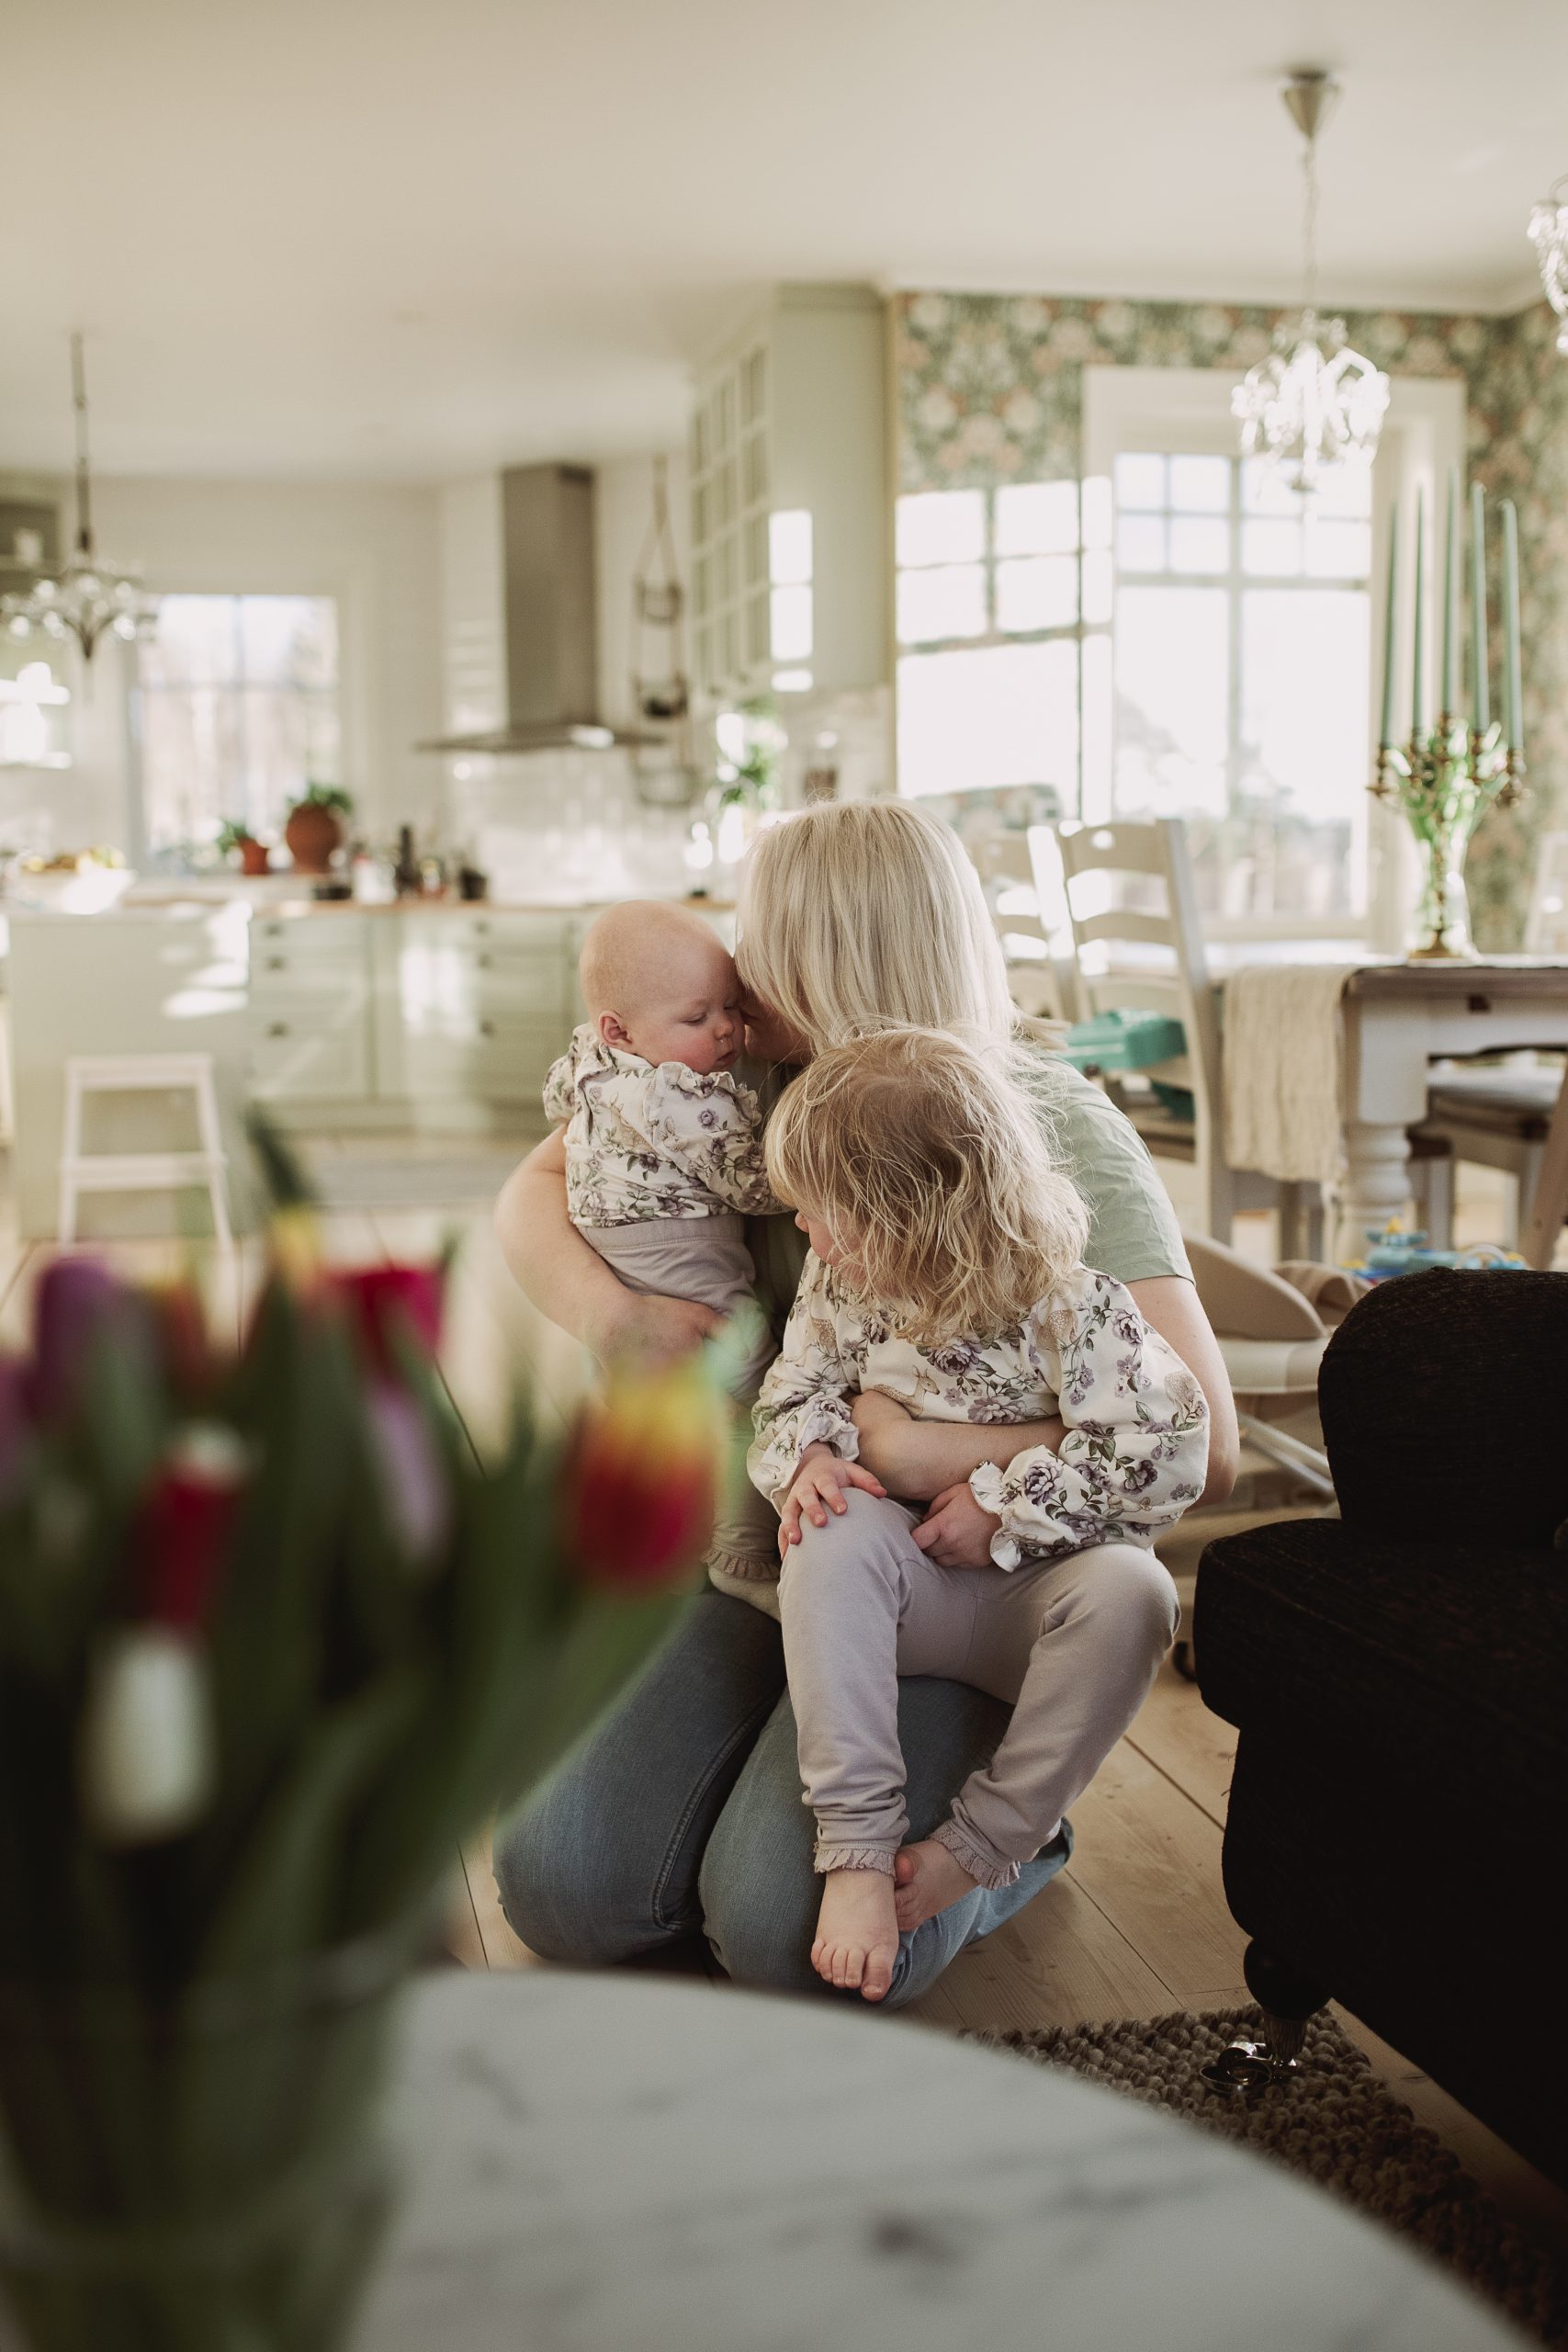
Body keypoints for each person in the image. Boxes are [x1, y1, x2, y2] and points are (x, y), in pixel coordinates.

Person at [492, 799, 1238, 2010]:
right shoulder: (737, 1078)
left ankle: (1009, 1834)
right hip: (760, 1564)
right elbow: (534, 1187)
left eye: (763, 942)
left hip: (955, 1583)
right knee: (565, 1890)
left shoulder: (1039, 1125)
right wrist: (605, 1315)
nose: (734, 968)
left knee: (786, 1935)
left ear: (832, 962)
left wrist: (916, 1450)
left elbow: (1200, 1445)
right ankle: (752, 1785)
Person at [751, 1029, 1208, 2002]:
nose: (804, 1227)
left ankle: (989, 1843)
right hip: (907, 1580)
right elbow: (792, 1393)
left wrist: (1005, 1507)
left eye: (823, 1209)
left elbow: (1167, 1457)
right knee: (828, 1536)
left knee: (1135, 1590)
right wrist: (810, 1461)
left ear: (912, 1209)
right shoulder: (842, 1288)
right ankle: (857, 1851)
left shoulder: (1075, 1306)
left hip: (1036, 1602)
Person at [543, 899, 780, 1586]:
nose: (727, 1031)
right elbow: (755, 1190)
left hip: (608, 1243)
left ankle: (626, 1525)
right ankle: (740, 1550)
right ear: (620, 1029)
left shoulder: (590, 1056)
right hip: (676, 1246)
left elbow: (557, 1094)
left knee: (640, 1389)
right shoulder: (683, 1097)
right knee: (754, 1384)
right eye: (697, 1018)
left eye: (730, 1008)